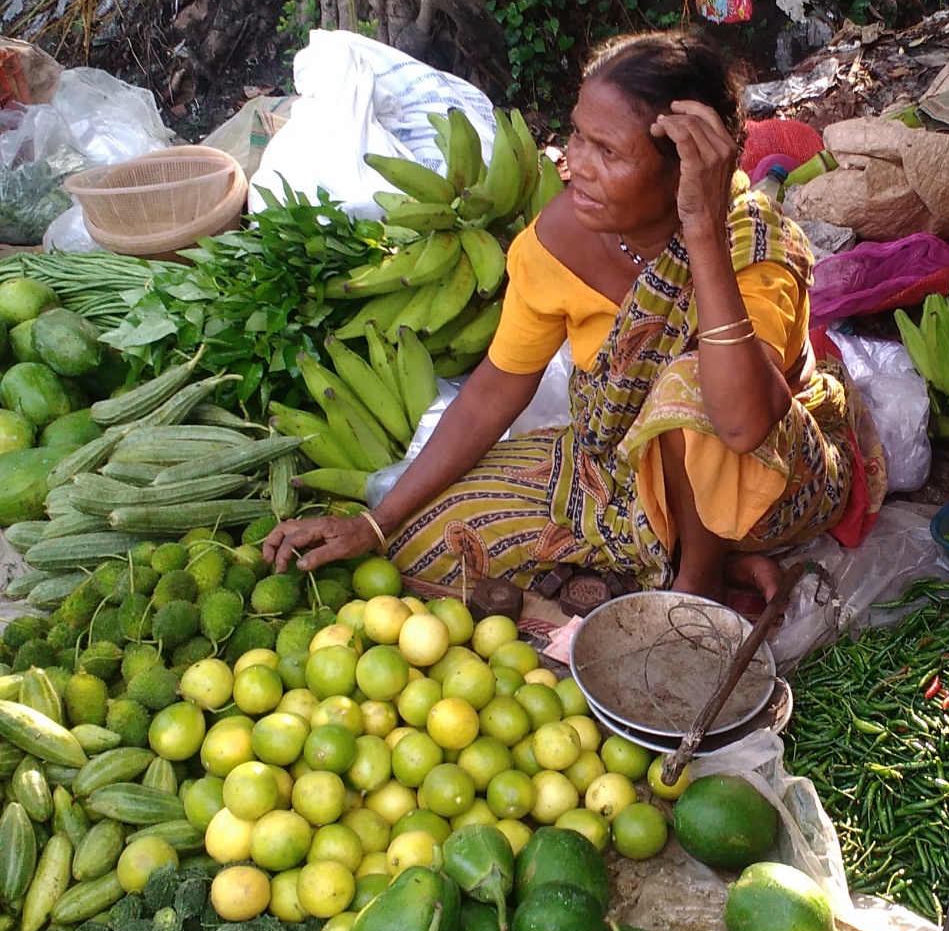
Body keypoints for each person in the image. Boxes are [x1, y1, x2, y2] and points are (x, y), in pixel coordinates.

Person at [264, 31, 885, 603]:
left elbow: (744, 423)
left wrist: (701, 231)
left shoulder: (754, 250)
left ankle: (698, 586)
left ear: (682, 169)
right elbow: (492, 392)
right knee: (424, 552)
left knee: (690, 385)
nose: (576, 164)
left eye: (609, 151)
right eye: (579, 136)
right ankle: (671, 557)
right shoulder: (556, 241)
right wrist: (375, 522)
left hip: (771, 485)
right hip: (619, 472)